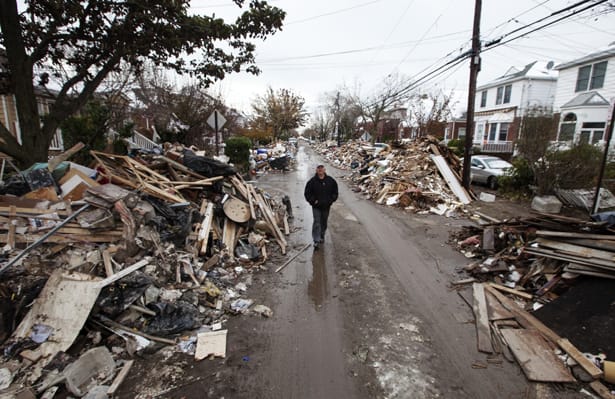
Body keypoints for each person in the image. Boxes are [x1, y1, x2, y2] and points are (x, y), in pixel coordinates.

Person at [304, 164, 338, 249]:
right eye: (318, 169)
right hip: (316, 206)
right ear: (316, 170)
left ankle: (321, 235)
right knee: (317, 222)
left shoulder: (330, 181)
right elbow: (307, 193)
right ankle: (316, 240)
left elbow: (335, 192)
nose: (320, 170)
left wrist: (331, 200)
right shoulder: (312, 182)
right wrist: (313, 201)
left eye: (321, 169)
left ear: (324, 170)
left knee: (324, 222)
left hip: (326, 206)